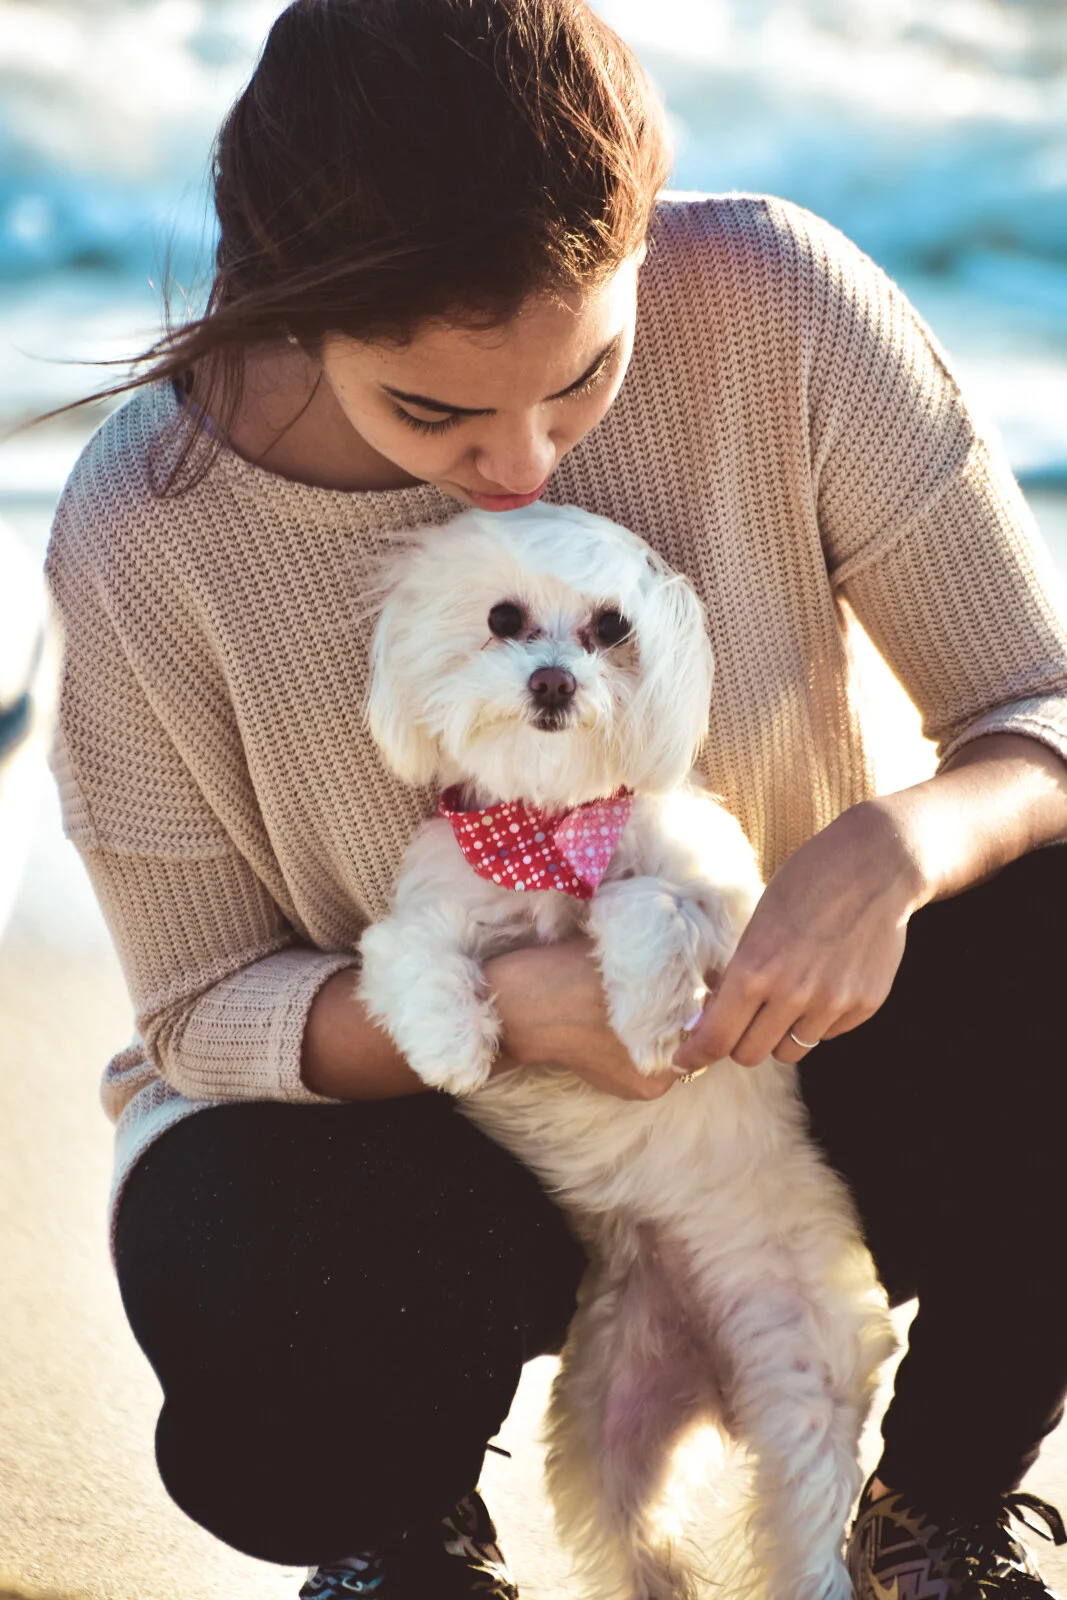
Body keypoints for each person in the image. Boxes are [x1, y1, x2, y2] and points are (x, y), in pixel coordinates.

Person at [44, 1, 1067, 1596]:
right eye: (433, 413)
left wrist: (892, 848)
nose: (523, 459)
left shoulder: (778, 306)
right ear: (289, 309)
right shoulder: (146, 525)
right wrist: (514, 1008)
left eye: (587, 374)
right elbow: (194, 1010)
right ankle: (409, 1536)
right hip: (407, 1142)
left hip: (768, 1066)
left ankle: (927, 1515)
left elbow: (1039, 709)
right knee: (266, 1349)